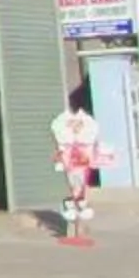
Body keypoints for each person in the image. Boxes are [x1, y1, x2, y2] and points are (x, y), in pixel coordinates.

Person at [51, 89, 103, 226]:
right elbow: (58, 133)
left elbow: (92, 135)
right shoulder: (63, 120)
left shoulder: (87, 121)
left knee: (80, 183)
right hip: (71, 157)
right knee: (73, 183)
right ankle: (72, 206)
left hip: (80, 157)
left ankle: (77, 207)